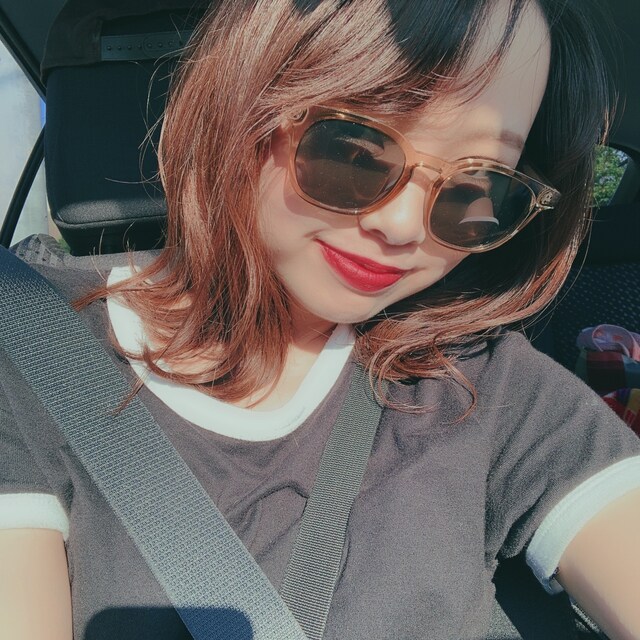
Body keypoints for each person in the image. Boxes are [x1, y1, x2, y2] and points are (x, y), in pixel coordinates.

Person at [1, 0, 640, 638]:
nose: (403, 226)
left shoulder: (485, 386)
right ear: (244, 99)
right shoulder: (29, 354)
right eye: (355, 148)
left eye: (477, 183)